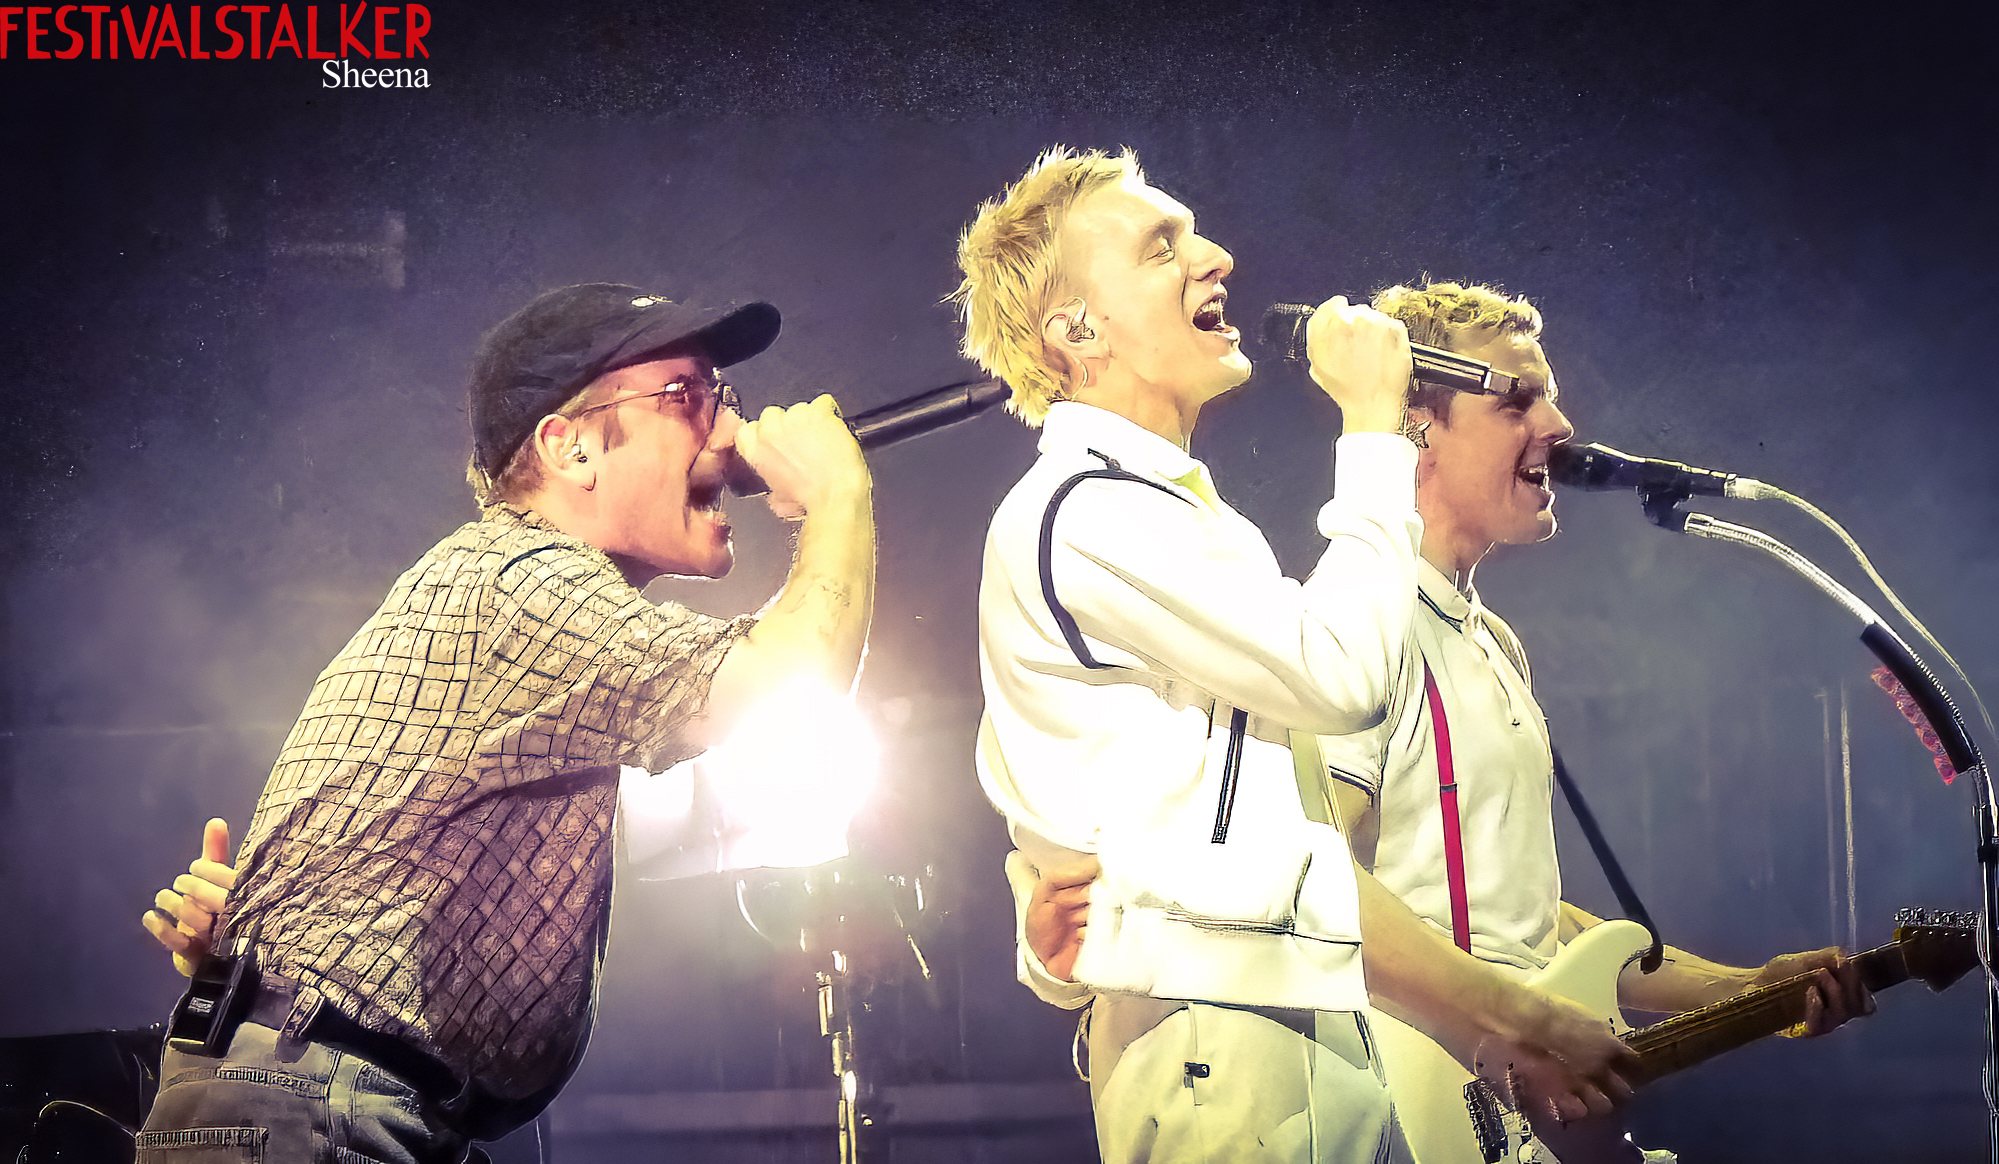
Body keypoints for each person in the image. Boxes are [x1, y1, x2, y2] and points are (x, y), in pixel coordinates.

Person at [1022, 279, 1874, 1162]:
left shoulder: (1492, 641)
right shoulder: (1357, 635)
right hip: (1424, 1111)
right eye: (1517, 400)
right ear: (1417, 427)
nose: (1557, 425)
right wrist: (1510, 1022)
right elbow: (1313, 882)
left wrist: (1742, 989)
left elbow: (1522, 924)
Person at [953, 148, 1632, 1164]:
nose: (1214, 258)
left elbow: (1168, 830)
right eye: (1161, 248)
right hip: (1221, 1050)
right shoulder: (1083, 508)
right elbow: (1343, 677)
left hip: (1288, 1033)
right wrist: (1371, 427)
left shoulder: (1160, 514)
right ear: (1076, 330)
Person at [135, 282, 875, 1163]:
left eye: (725, 396)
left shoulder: (513, 591)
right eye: (687, 397)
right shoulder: (525, 579)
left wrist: (254, 949)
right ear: (569, 447)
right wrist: (838, 495)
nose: (729, 433)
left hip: (331, 1097)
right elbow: (789, 680)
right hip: (318, 1103)